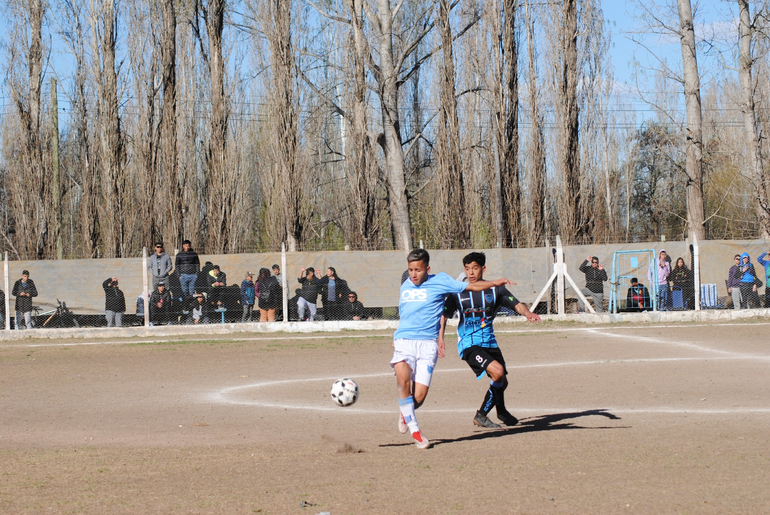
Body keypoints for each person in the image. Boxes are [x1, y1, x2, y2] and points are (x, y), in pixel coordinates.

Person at [391, 249, 514, 450]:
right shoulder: (405, 285)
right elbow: (405, 313)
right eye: (410, 270)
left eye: (418, 270)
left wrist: (494, 283)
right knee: (402, 380)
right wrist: (397, 335)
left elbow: (471, 286)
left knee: (418, 398)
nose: (413, 274)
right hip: (404, 342)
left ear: (427, 268)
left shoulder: (441, 281)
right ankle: (416, 431)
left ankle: (406, 412)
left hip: (427, 345)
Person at [438, 252, 541, 429]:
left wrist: (528, 313)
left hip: (490, 342)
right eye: (467, 269)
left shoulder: (495, 290)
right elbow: (444, 316)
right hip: (469, 344)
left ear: (483, 269)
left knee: (502, 381)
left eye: (475, 268)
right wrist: (440, 338)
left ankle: (501, 411)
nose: (471, 272)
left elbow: (516, 304)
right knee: (498, 372)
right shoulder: (458, 292)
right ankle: (481, 415)